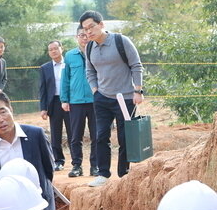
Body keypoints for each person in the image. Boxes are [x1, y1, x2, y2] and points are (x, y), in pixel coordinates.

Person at [80, 11, 143, 187]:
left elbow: (136, 65)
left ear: (101, 24)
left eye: (91, 26)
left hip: (125, 98)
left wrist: (138, 91)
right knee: (100, 136)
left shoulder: (121, 41)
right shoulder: (90, 47)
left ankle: (124, 173)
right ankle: (103, 174)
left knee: (124, 137)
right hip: (102, 98)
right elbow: (89, 71)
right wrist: (95, 91)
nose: (89, 32)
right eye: (85, 29)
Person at [58, 25, 95, 178]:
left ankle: (96, 166)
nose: (84, 37)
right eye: (81, 35)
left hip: (95, 101)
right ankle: (77, 166)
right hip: (76, 102)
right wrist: (64, 99)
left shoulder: (97, 52)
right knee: (75, 136)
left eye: (86, 34)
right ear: (77, 37)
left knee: (97, 135)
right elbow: (65, 79)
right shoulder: (69, 56)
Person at [37, 40, 67, 169]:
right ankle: (58, 161)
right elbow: (42, 89)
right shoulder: (45, 68)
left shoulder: (69, 64)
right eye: (50, 49)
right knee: (55, 133)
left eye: (56, 48)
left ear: (62, 48)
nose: (53, 51)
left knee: (74, 133)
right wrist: (43, 108)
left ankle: (77, 162)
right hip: (54, 103)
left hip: (70, 101)